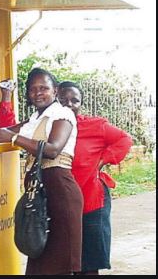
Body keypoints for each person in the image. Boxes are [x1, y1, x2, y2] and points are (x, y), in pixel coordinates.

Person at [0, 67, 83, 275]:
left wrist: (11, 137)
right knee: (39, 256)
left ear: (55, 91)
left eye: (44, 88)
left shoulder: (62, 114)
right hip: (41, 190)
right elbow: (8, 130)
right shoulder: (36, 118)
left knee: (59, 264)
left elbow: (53, 149)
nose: (38, 93)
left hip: (59, 188)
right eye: (33, 89)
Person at [58, 81, 133, 275]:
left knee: (89, 264)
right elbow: (14, 130)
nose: (69, 104)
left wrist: (103, 160)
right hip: (60, 204)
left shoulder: (95, 126)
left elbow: (124, 139)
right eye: (63, 99)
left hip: (92, 202)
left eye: (75, 100)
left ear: (81, 103)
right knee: (63, 262)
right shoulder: (48, 126)